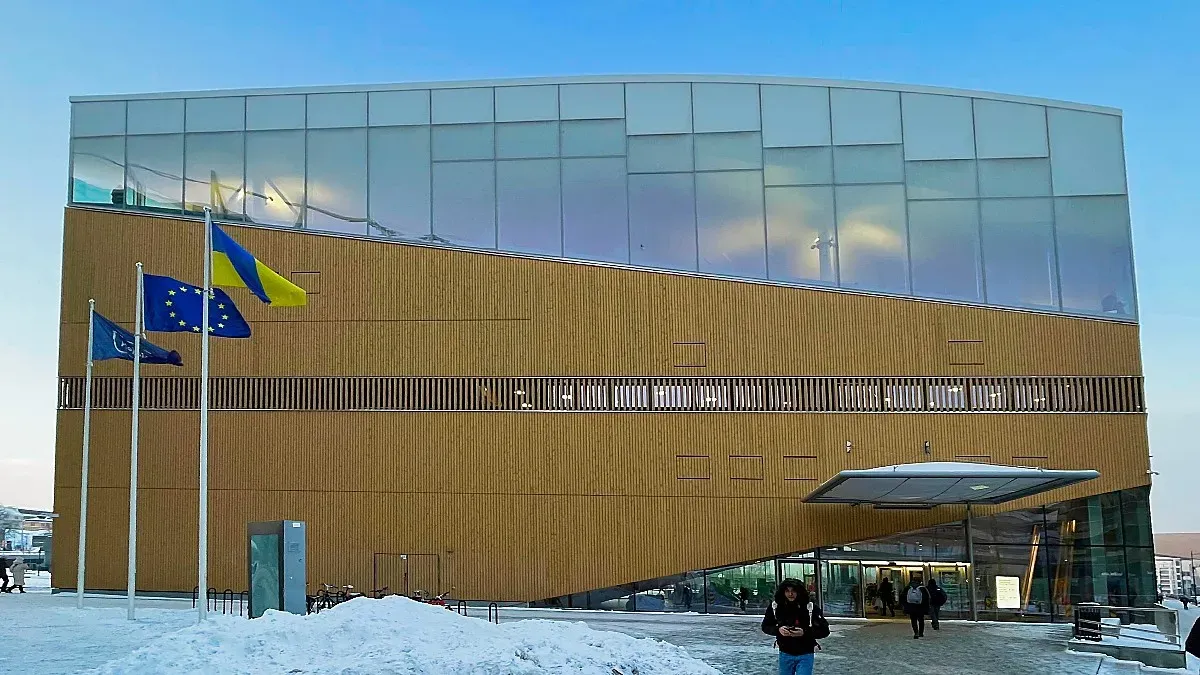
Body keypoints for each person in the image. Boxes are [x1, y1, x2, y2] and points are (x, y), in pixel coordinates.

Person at [762, 578, 830, 675]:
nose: (790, 594)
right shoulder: (776, 607)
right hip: (785, 652)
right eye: (787, 591)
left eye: (793, 591)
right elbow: (765, 626)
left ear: (799, 592)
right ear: (783, 592)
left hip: (806, 653)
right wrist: (778, 630)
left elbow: (824, 630)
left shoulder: (810, 607)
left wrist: (804, 632)